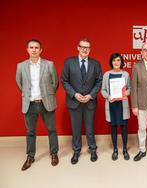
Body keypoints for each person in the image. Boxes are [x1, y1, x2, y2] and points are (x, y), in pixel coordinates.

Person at [16, 39, 59, 171]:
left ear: (40, 50)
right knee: (30, 132)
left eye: (36, 47)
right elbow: (20, 84)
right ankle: (30, 157)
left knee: (51, 130)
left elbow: (55, 83)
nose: (34, 50)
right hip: (29, 104)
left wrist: (47, 95)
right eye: (31, 47)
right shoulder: (21, 66)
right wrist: (28, 95)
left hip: (46, 103)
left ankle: (54, 154)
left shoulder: (49, 64)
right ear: (27, 49)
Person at [61, 38, 102, 164]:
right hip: (74, 101)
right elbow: (64, 80)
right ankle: (76, 151)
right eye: (82, 47)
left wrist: (91, 95)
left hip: (90, 101)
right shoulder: (69, 62)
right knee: (76, 128)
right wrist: (74, 94)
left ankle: (93, 149)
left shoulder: (95, 63)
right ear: (78, 48)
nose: (85, 49)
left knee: (90, 128)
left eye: (87, 47)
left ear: (90, 50)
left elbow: (99, 81)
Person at [101, 53, 131, 161]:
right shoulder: (106, 75)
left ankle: (124, 150)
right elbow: (103, 90)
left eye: (118, 60)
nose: (116, 62)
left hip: (122, 105)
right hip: (111, 105)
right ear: (111, 62)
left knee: (123, 128)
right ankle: (115, 150)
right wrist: (108, 97)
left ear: (121, 62)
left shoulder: (126, 74)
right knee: (113, 128)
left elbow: (130, 89)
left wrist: (124, 93)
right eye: (114, 60)